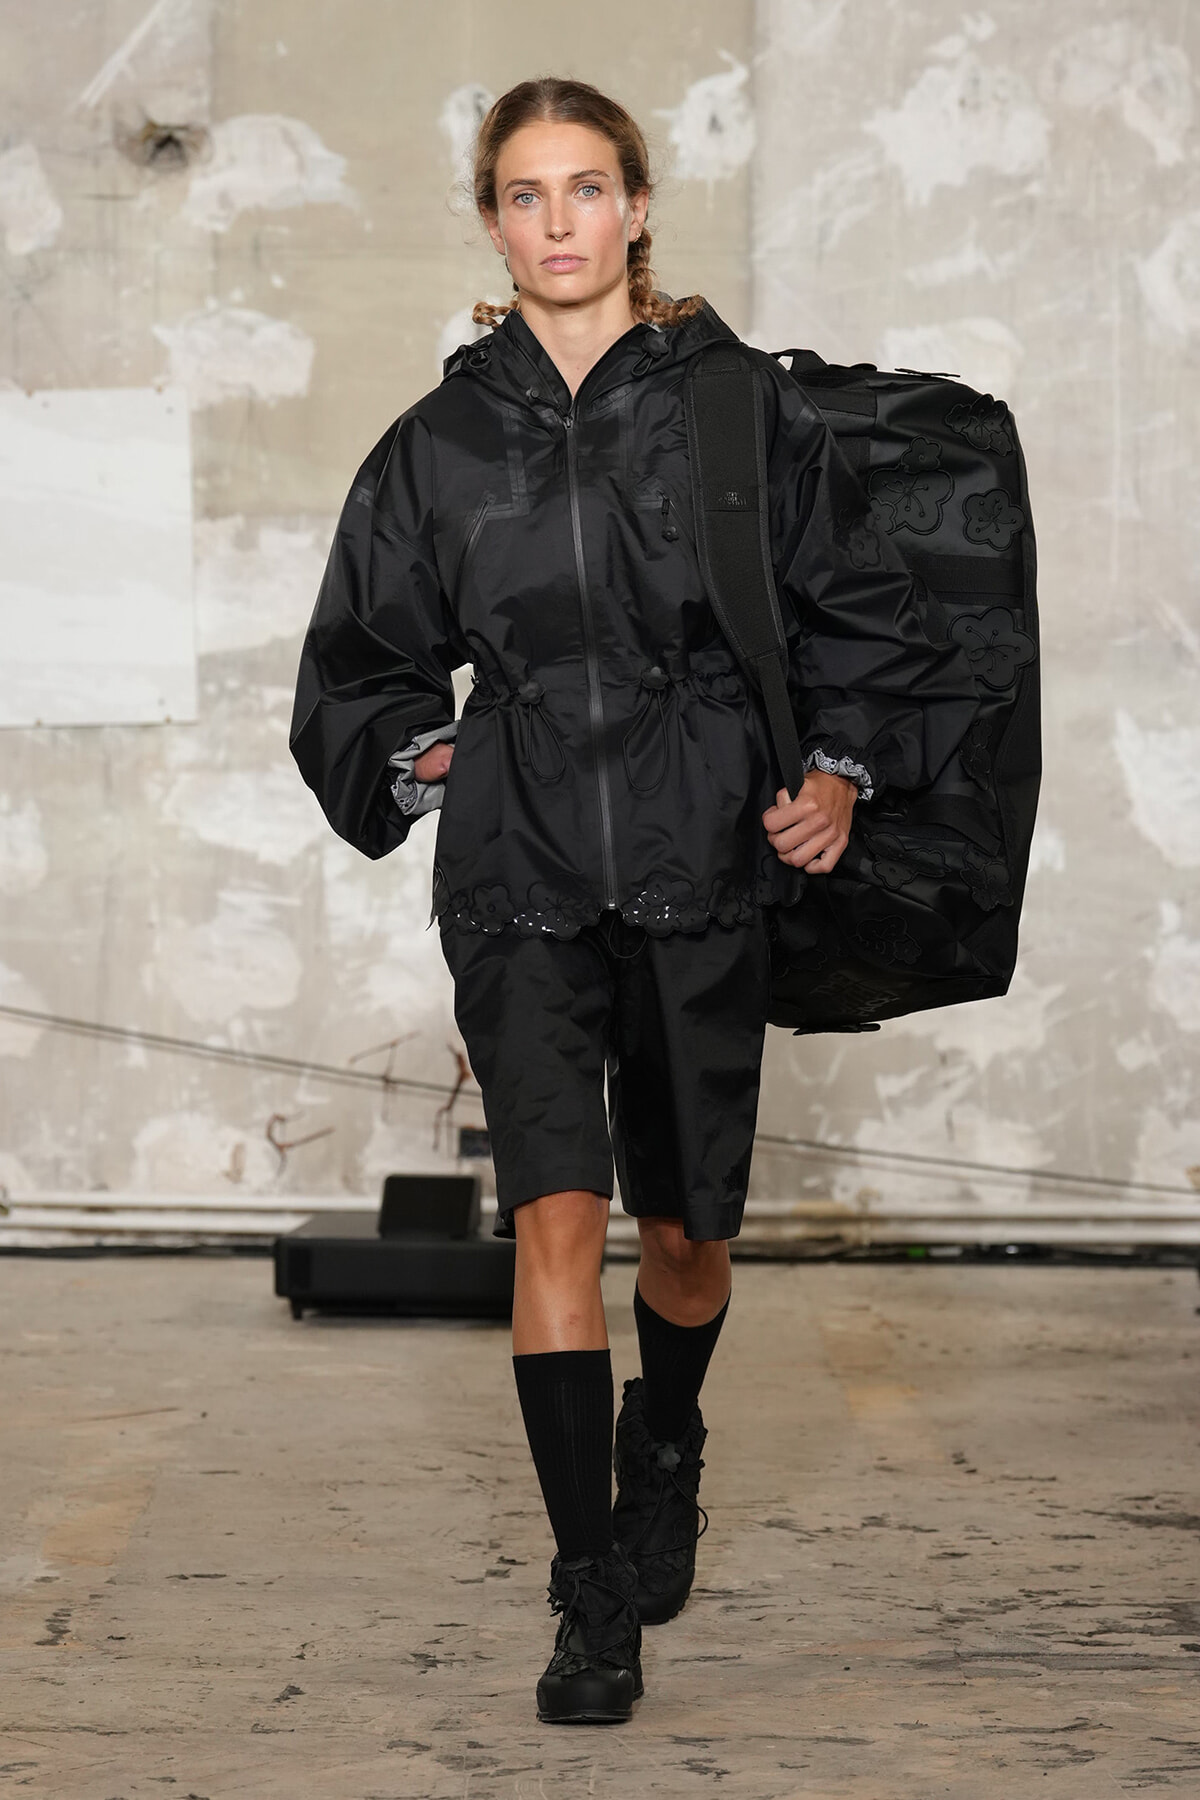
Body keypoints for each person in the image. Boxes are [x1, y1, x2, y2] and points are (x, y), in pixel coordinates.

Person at [290, 76, 979, 1725]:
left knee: (683, 1235)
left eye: (586, 189)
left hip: (698, 860)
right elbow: (358, 663)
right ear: (492, 222)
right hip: (517, 872)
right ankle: (589, 1592)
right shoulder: (439, 444)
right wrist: (414, 752)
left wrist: (840, 775)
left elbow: (867, 618)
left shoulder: (739, 409)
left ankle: (663, 1431)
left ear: (638, 204)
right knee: (558, 1218)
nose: (558, 222)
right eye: (525, 196)